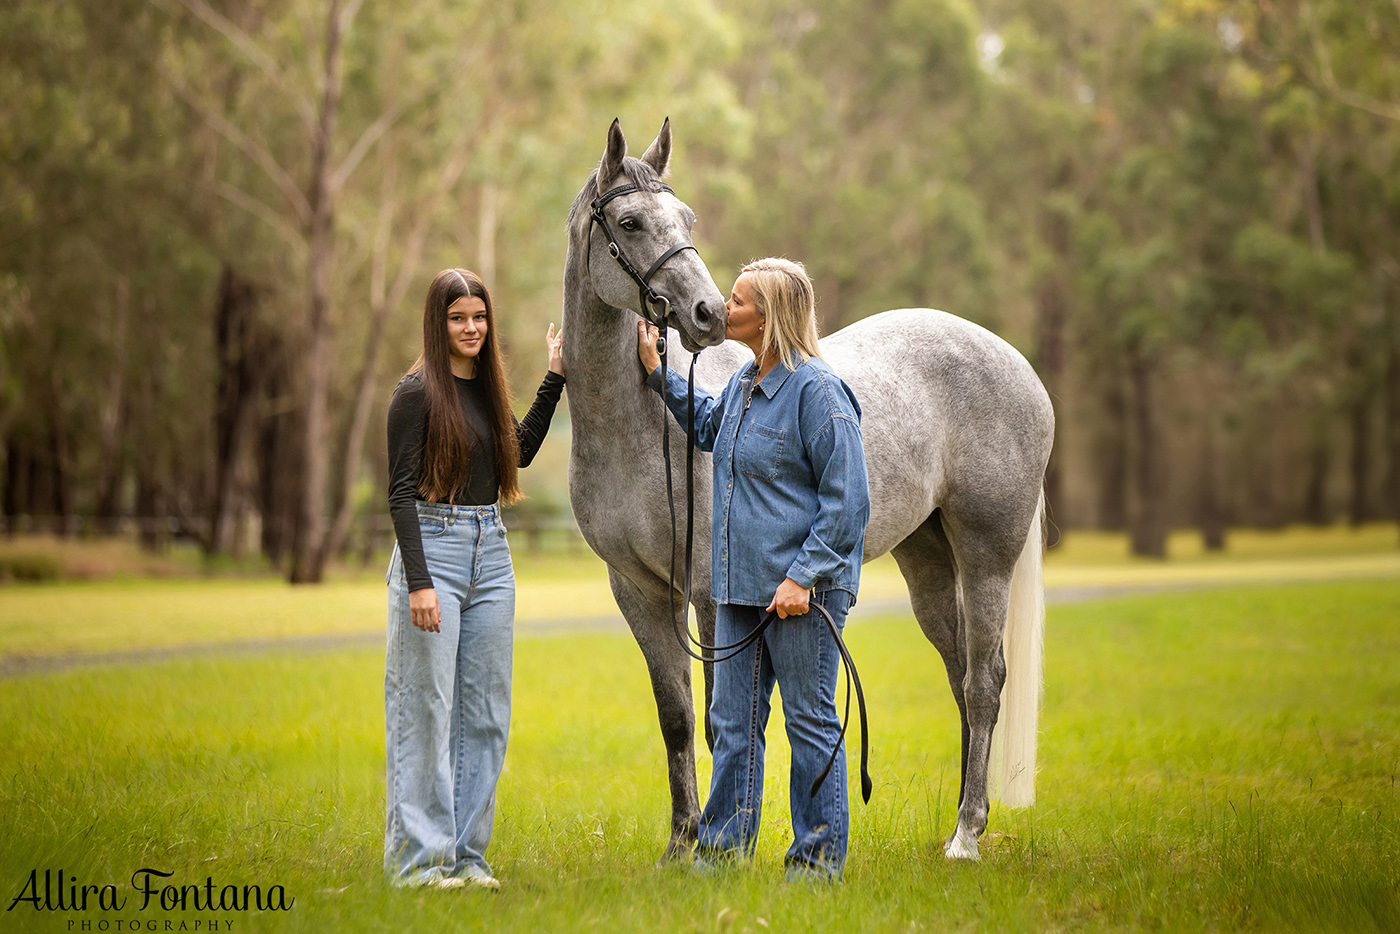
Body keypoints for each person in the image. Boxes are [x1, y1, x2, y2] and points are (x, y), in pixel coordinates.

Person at [636, 257, 870, 882]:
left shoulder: (818, 392)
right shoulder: (743, 385)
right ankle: (720, 856)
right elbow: (710, 426)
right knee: (732, 727)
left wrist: (804, 576)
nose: (724, 306)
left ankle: (816, 865)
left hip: (803, 596)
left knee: (811, 725)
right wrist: (661, 375)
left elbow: (848, 501)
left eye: (737, 301)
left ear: (769, 318)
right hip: (738, 591)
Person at [384, 267, 564, 890]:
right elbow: (401, 495)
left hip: (492, 554)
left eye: (479, 317)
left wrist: (556, 376)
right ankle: (418, 865)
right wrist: (419, 581)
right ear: (439, 324)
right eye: (458, 318)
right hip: (433, 547)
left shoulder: (486, 392)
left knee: (486, 711)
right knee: (426, 710)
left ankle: (468, 858)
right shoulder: (415, 394)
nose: (471, 328)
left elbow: (518, 452)